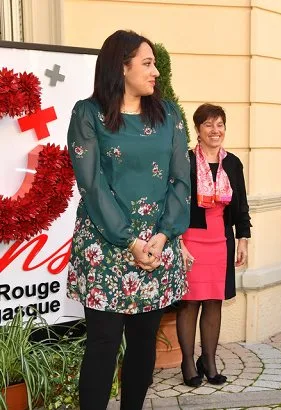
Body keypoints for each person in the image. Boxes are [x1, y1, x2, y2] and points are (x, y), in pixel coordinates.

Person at [66, 30, 190, 409]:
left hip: (155, 248)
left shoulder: (168, 114)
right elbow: (91, 183)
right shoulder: (87, 114)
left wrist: (164, 235)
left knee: (142, 345)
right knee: (103, 346)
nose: (155, 72)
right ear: (121, 67)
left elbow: (181, 178)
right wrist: (129, 239)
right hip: (105, 248)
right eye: (147, 63)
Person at [176, 103, 251, 387]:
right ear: (197, 130)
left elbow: (241, 204)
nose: (215, 130)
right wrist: (176, 241)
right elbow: (173, 204)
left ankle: (208, 360)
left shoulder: (232, 163)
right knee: (189, 302)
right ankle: (187, 361)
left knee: (214, 302)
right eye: (208, 125)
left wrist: (243, 238)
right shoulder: (184, 161)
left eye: (219, 124)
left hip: (221, 240)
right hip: (190, 240)